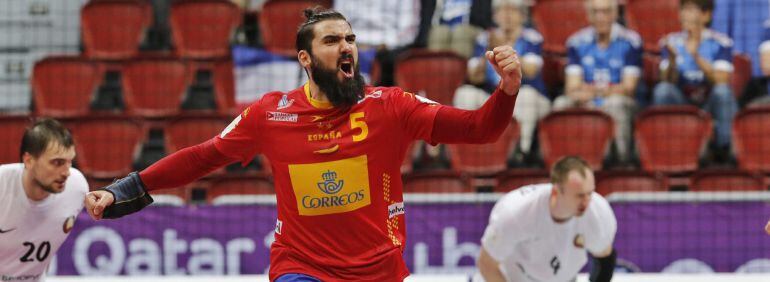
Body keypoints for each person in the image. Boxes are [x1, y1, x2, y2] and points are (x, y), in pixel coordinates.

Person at [84, 7, 522, 281]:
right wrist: (127, 187)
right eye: (332, 41)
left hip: (379, 271)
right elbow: (203, 157)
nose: (346, 46)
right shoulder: (271, 114)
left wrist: (506, 90)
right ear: (306, 59)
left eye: (350, 38)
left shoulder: (391, 106)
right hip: (303, 268)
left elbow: (479, 130)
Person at [477, 156, 617, 282]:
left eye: (589, 193)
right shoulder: (516, 213)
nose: (587, 202)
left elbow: (605, 259)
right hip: (514, 277)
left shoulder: (598, 213)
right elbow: (487, 264)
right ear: (556, 192)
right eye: (579, 196)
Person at [453, 0, 549, 166]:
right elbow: (474, 76)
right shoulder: (484, 38)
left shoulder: (532, 38)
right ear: (495, 16)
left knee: (525, 97)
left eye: (512, 10)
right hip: (494, 96)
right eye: (502, 11)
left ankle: (520, 152)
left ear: (522, 15)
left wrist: (504, 46)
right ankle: (470, 148)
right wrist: (488, 54)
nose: (506, 16)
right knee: (465, 93)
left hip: (529, 97)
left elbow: (531, 70)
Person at [0, 118, 89, 282]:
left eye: (70, 162)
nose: (66, 172)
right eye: (57, 163)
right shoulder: (2, 186)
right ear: (29, 160)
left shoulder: (76, 187)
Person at [555, 0, 642, 164]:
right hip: (587, 99)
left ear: (616, 14)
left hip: (620, 102)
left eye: (606, 11)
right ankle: (566, 160)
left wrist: (594, 93)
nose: (601, 17)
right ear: (588, 15)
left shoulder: (631, 42)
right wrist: (599, 94)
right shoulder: (576, 42)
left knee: (614, 103)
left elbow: (628, 88)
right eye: (596, 12)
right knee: (561, 103)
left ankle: (621, 160)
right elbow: (571, 88)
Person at [653, 0, 737, 162]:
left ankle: (724, 150)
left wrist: (696, 56)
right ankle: (667, 146)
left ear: (706, 15)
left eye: (691, 10)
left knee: (723, 92)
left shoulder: (721, 42)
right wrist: (672, 60)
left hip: (709, 104)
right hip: (682, 103)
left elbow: (721, 80)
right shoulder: (670, 42)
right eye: (683, 10)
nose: (685, 14)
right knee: (662, 90)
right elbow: (665, 80)